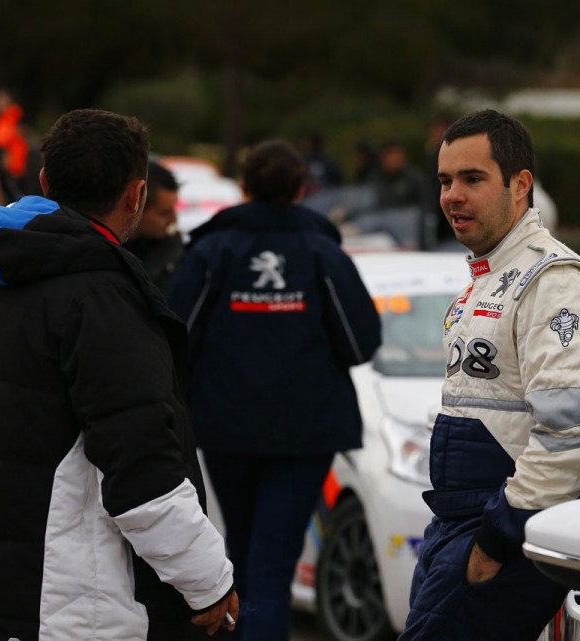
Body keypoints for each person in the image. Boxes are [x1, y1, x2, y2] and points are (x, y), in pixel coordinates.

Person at [0, 109, 237, 640]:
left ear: (44, 180)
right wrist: (209, 580)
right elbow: (141, 469)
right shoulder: (102, 297)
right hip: (68, 599)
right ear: (136, 196)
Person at [400, 110, 580, 640]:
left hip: (500, 533)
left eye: (472, 179)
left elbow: (571, 437)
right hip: (456, 526)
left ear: (521, 186)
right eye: (446, 181)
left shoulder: (554, 281)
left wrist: (496, 542)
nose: (453, 195)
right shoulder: (488, 277)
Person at [167, 140, 382, 641]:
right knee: (272, 559)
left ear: (243, 187)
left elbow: (175, 336)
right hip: (305, 434)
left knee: (242, 551)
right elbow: (360, 342)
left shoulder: (211, 250)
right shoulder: (321, 251)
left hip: (226, 428)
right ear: (303, 189)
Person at [124, 160, 185, 292]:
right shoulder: (104, 250)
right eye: (164, 213)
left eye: (174, 210)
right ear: (136, 206)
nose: (173, 219)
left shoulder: (174, 253)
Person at [0, 88, 30, 183]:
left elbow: (3, 144)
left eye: (0, 99)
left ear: (9, 100)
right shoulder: (2, 121)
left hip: (13, 171)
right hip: (9, 171)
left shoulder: (14, 118)